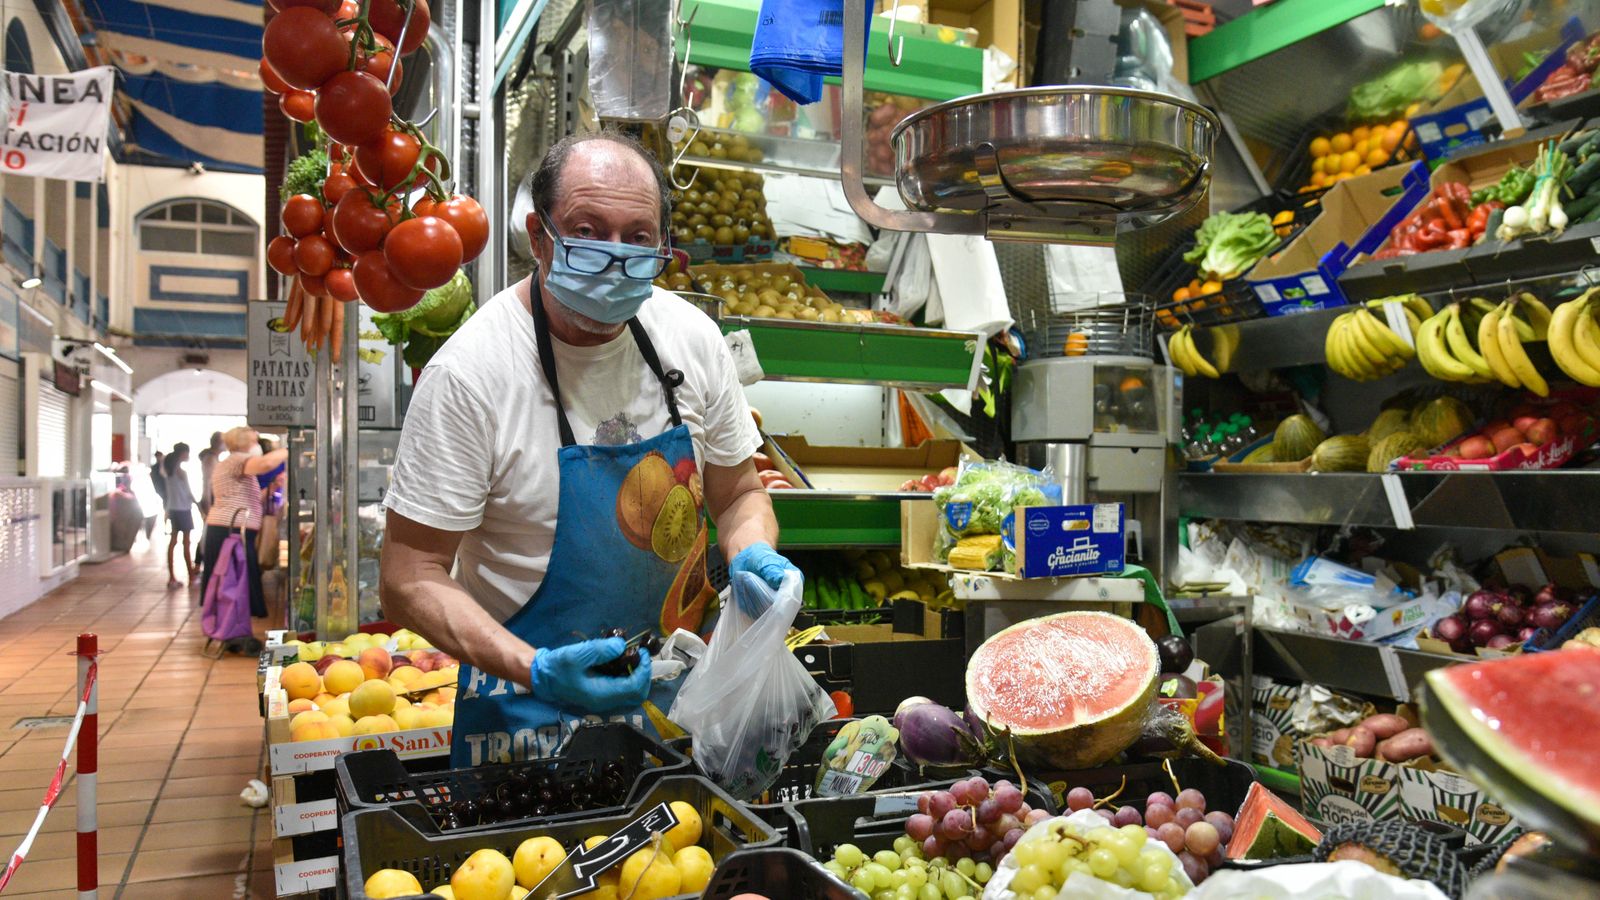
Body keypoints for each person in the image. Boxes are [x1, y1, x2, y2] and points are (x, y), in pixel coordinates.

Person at [381, 131, 795, 767]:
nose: (615, 254)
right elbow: (410, 577)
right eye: (588, 229)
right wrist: (538, 669)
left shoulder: (693, 340)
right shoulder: (471, 375)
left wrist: (755, 552)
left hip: (680, 698)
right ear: (539, 235)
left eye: (638, 237)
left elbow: (738, 492)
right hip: (526, 712)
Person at [200, 427, 289, 619]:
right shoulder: (237, 460)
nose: (257, 446)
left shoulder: (234, 463)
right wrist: (291, 447)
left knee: (237, 581)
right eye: (254, 441)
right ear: (244, 443)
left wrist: (274, 486)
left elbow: (251, 498)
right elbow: (265, 464)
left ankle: (235, 626)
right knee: (232, 582)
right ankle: (231, 627)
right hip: (229, 530)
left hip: (233, 529)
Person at [162, 443, 198, 589]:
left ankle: (171, 577)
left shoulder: (168, 471)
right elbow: (189, 493)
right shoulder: (181, 472)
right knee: (186, 544)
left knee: (173, 542)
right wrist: (199, 505)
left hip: (173, 508)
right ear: (183, 453)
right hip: (183, 509)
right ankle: (191, 576)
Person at [198, 431, 223, 517]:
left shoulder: (214, 458)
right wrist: (207, 503)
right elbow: (207, 482)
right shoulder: (210, 459)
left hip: (213, 497)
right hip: (210, 498)